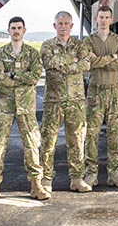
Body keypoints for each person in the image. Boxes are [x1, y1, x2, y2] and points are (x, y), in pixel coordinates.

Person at [0, 17, 50, 202]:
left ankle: (36, 184)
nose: (16, 31)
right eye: (13, 28)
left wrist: (11, 73)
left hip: (26, 108)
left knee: (32, 145)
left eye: (19, 28)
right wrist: (21, 77)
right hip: (5, 107)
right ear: (8, 30)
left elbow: (34, 77)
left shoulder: (33, 54)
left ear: (24, 30)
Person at [39, 12, 92, 193]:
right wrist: (73, 61)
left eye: (66, 23)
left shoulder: (80, 45)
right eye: (60, 23)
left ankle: (77, 178)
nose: (63, 26)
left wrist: (62, 63)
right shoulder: (47, 45)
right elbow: (48, 62)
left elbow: (86, 65)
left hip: (75, 100)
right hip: (53, 100)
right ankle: (46, 179)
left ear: (71, 26)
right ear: (55, 26)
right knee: (48, 141)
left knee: (77, 140)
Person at [83, 6, 118, 188]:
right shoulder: (88, 42)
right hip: (95, 91)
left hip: (114, 92)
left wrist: (100, 60)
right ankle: (91, 174)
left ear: (111, 19)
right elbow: (88, 63)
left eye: (107, 17)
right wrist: (112, 56)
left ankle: (115, 173)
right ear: (96, 18)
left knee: (114, 134)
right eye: (101, 17)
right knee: (91, 134)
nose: (104, 20)